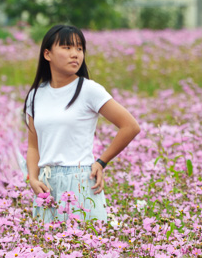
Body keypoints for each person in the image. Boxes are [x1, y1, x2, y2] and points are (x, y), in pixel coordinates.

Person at [23, 23, 141, 225]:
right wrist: (33, 179)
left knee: (87, 248)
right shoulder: (35, 95)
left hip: (80, 181)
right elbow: (34, 145)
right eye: (67, 48)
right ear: (47, 54)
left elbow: (130, 126)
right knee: (48, 252)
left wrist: (101, 162)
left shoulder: (89, 90)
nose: (75, 54)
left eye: (79, 49)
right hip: (46, 183)